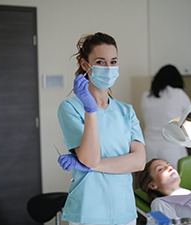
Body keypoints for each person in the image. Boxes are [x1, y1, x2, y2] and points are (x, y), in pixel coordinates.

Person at [57, 32, 146, 225]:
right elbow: (90, 158)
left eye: (113, 62)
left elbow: (139, 162)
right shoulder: (70, 108)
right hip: (89, 211)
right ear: (84, 64)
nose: (108, 68)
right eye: (100, 61)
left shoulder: (126, 111)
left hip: (124, 211)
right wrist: (90, 110)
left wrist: (89, 166)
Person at [141, 65, 191, 169]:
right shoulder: (178, 94)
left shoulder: (146, 96)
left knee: (152, 182)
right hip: (171, 148)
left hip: (149, 148)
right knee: (175, 183)